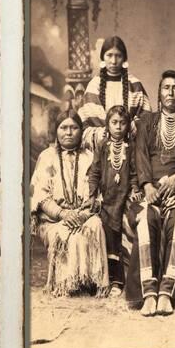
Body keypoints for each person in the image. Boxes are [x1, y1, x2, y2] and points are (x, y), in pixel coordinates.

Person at [125, 70, 175, 316]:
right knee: (146, 219)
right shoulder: (148, 121)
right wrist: (147, 185)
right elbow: (140, 155)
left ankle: (168, 292)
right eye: (166, 87)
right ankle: (148, 293)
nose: (170, 92)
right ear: (159, 92)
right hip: (151, 190)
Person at [30, 110, 109, 297]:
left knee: (96, 224)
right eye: (63, 127)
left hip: (84, 214)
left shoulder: (90, 157)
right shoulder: (46, 156)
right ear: (56, 131)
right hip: (54, 218)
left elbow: (98, 193)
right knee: (67, 232)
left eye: (74, 128)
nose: (68, 132)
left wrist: (83, 215)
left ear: (81, 131)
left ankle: (93, 280)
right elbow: (40, 196)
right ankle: (69, 283)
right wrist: (63, 214)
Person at [89, 106, 142, 297]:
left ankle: (128, 279)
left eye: (122, 123)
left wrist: (135, 189)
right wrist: (93, 194)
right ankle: (112, 280)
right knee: (109, 238)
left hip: (125, 197)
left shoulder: (132, 147)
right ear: (107, 124)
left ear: (128, 125)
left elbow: (135, 171)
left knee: (126, 235)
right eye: (114, 123)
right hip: (107, 199)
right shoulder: (102, 146)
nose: (118, 127)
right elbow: (94, 172)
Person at [78, 36, 152, 149]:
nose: (113, 61)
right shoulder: (94, 86)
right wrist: (102, 134)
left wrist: (132, 127)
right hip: (101, 148)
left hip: (131, 146)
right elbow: (83, 123)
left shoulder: (135, 84)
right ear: (102, 57)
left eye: (118, 56)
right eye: (109, 55)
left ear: (124, 59)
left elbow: (147, 118)